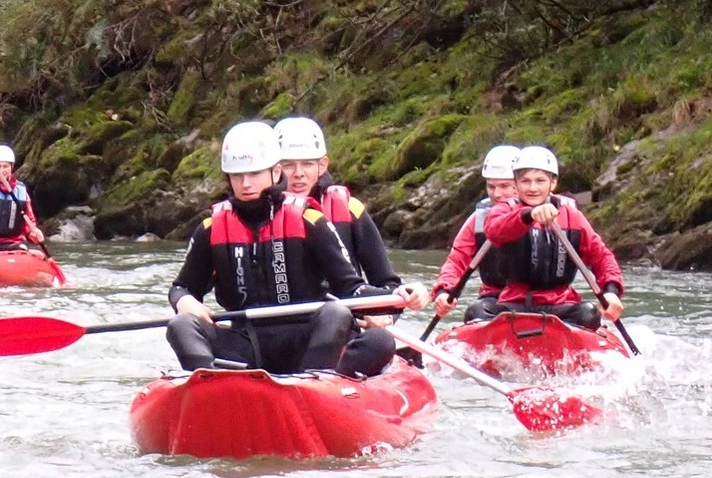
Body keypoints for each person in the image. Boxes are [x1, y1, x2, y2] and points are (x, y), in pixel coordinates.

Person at [166, 121, 419, 377]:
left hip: (308, 341)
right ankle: (209, 384)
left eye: (254, 174)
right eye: (237, 176)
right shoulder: (211, 228)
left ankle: (314, 382)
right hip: (246, 342)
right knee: (180, 325)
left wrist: (396, 297)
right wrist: (184, 300)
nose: (246, 184)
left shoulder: (311, 221)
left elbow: (350, 288)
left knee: (345, 318)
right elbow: (181, 287)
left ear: (276, 172)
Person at [482, 145, 623, 329]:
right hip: (513, 304)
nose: (533, 188)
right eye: (525, 181)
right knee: (477, 311)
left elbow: (602, 257)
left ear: (553, 183)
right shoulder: (504, 211)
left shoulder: (573, 217)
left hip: (560, 304)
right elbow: (494, 230)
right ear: (516, 184)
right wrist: (529, 215)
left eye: (540, 181)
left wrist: (611, 291)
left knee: (588, 313)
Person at [275, 116, 402, 289]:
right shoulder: (260, 217)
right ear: (275, 169)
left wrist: (392, 306)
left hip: (348, 303)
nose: (299, 173)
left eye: (307, 164)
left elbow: (388, 282)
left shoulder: (350, 209)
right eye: (288, 165)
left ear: (322, 165)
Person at [428, 145, 519, 323]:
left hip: (543, 300)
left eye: (504, 186)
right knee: (475, 311)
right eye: (491, 186)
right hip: (496, 300)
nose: (497, 194)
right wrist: (444, 291)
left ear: (521, 184)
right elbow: (457, 261)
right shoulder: (478, 221)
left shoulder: (547, 215)